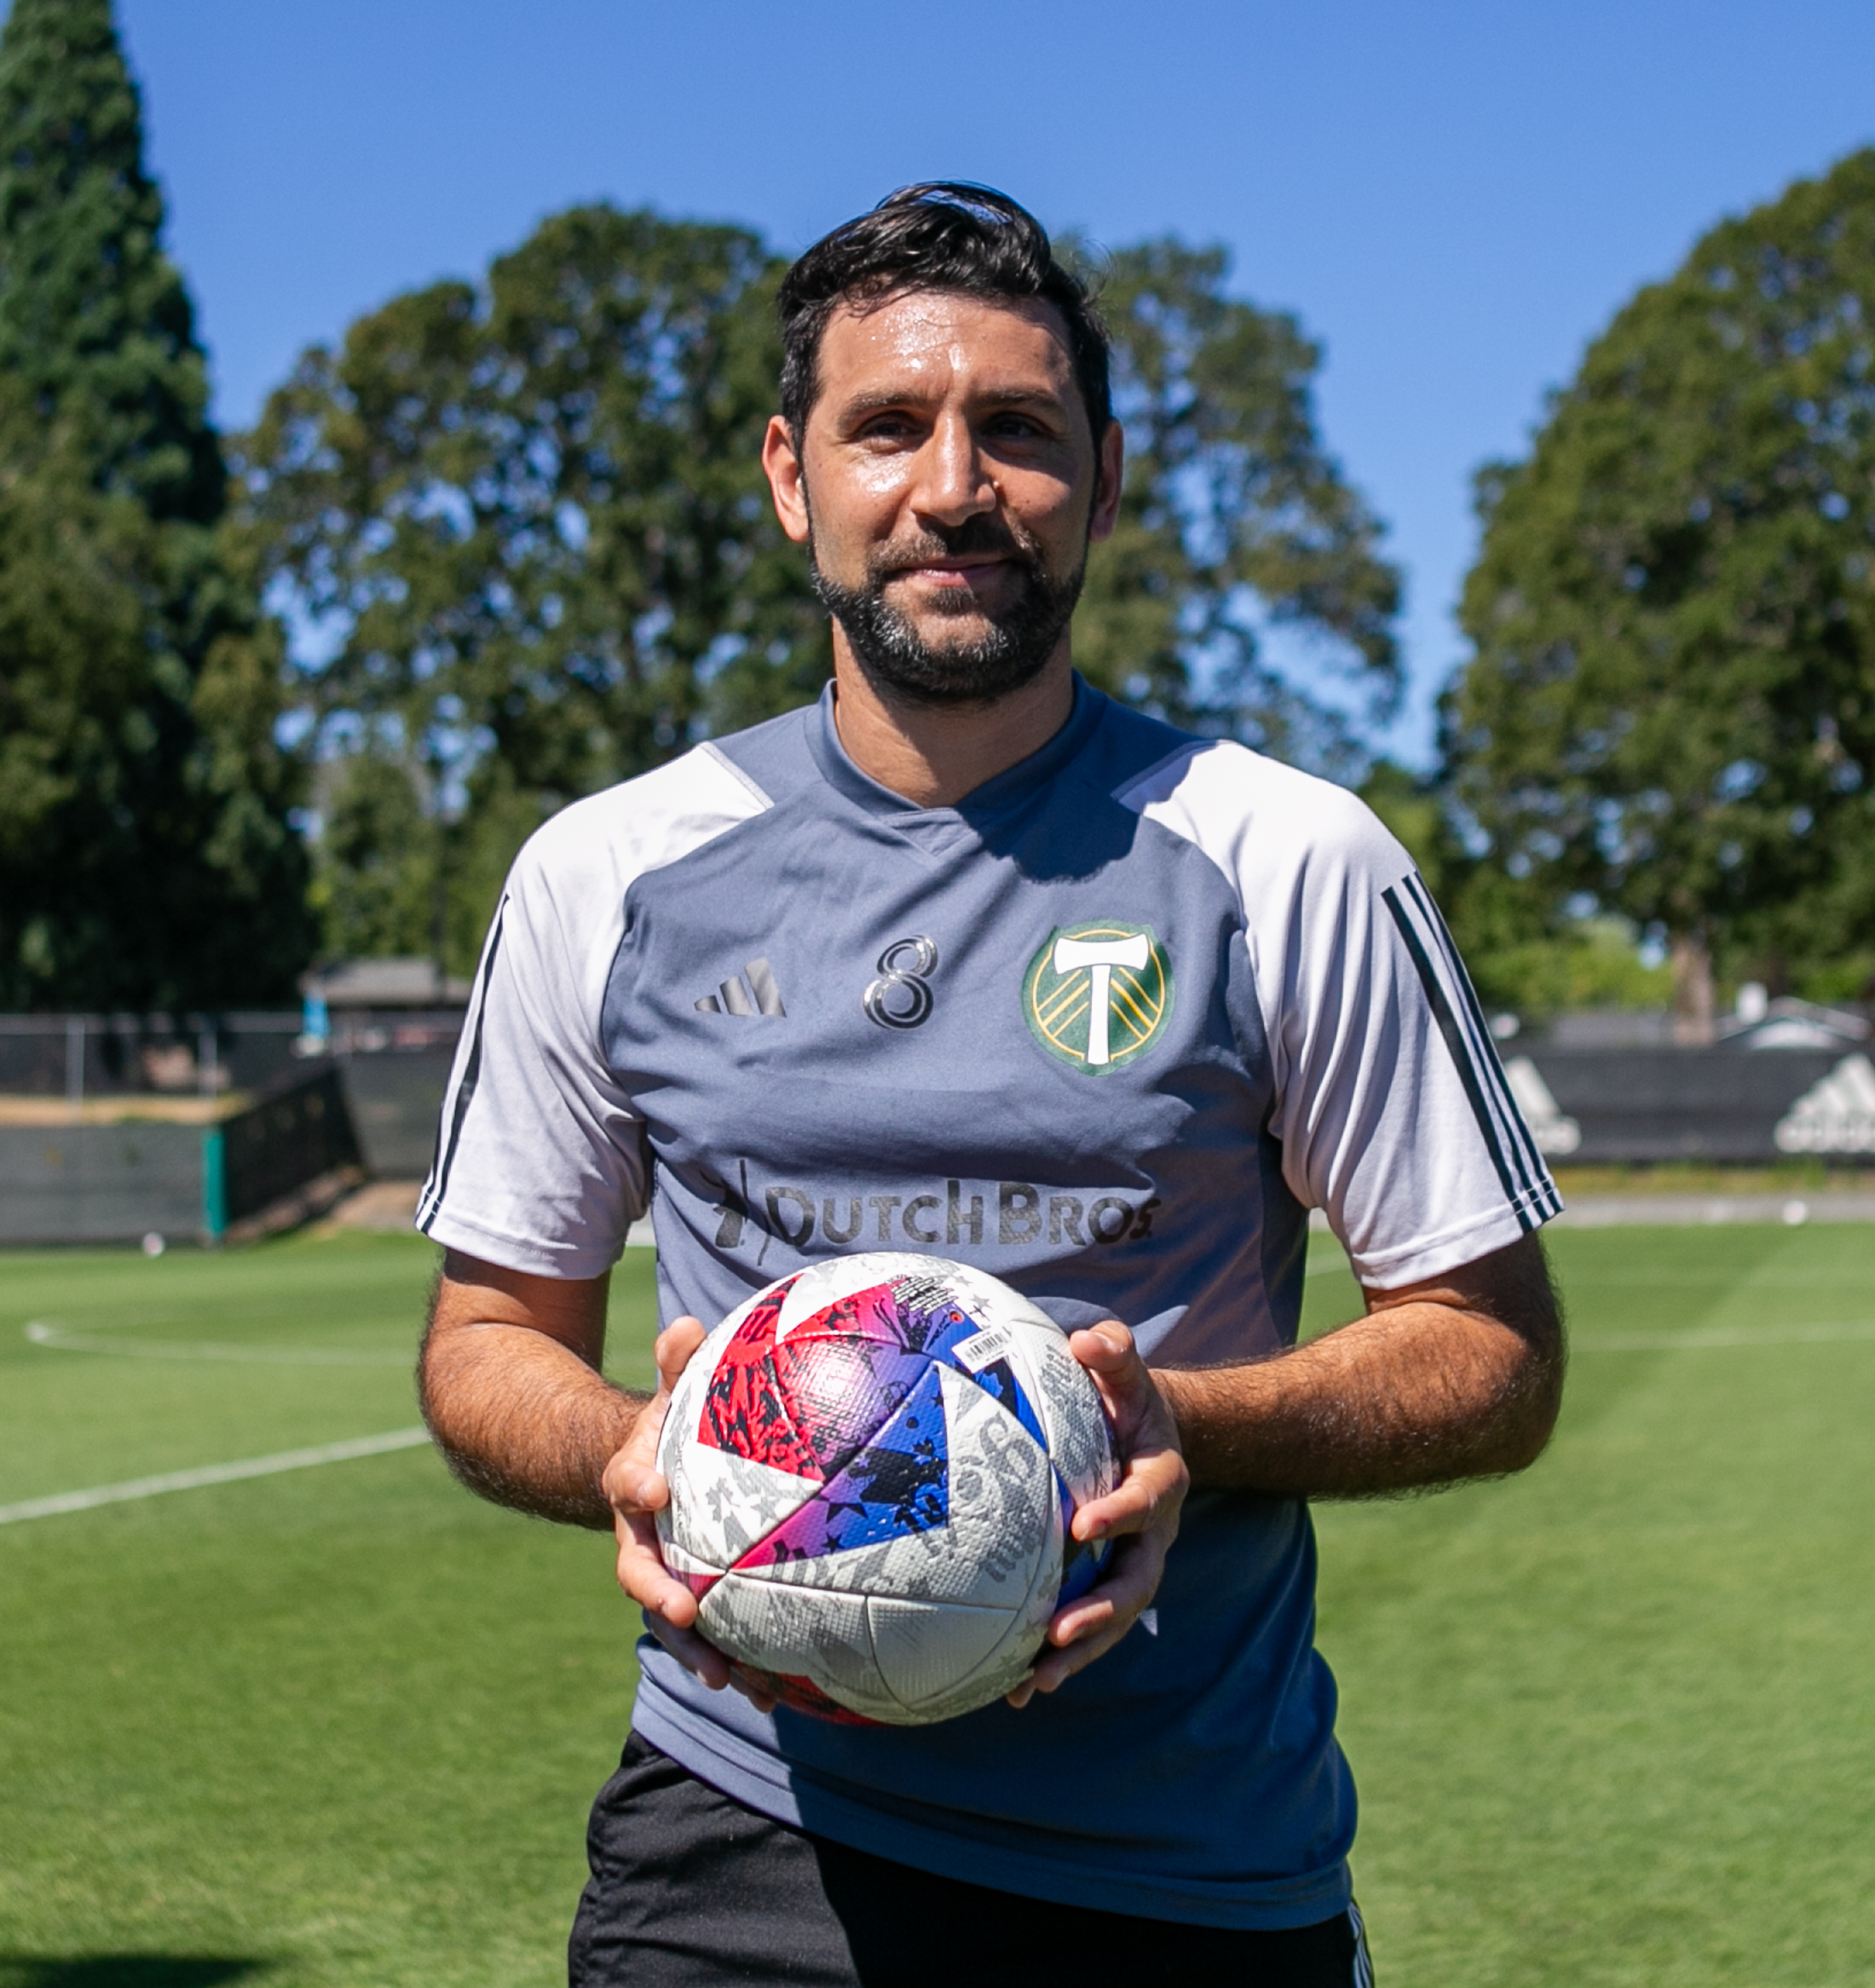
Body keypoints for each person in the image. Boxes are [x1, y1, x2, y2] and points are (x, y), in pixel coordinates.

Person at [414, 182, 1566, 1988]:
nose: (954, 488)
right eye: (890, 427)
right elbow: (485, 1337)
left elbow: (1493, 1353)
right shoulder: (607, 871)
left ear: (1102, 483)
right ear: (792, 478)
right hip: (741, 1849)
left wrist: (1185, 1426)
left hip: (1188, 1869)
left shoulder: (1290, 859)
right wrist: (632, 1453)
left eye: (1015, 432)